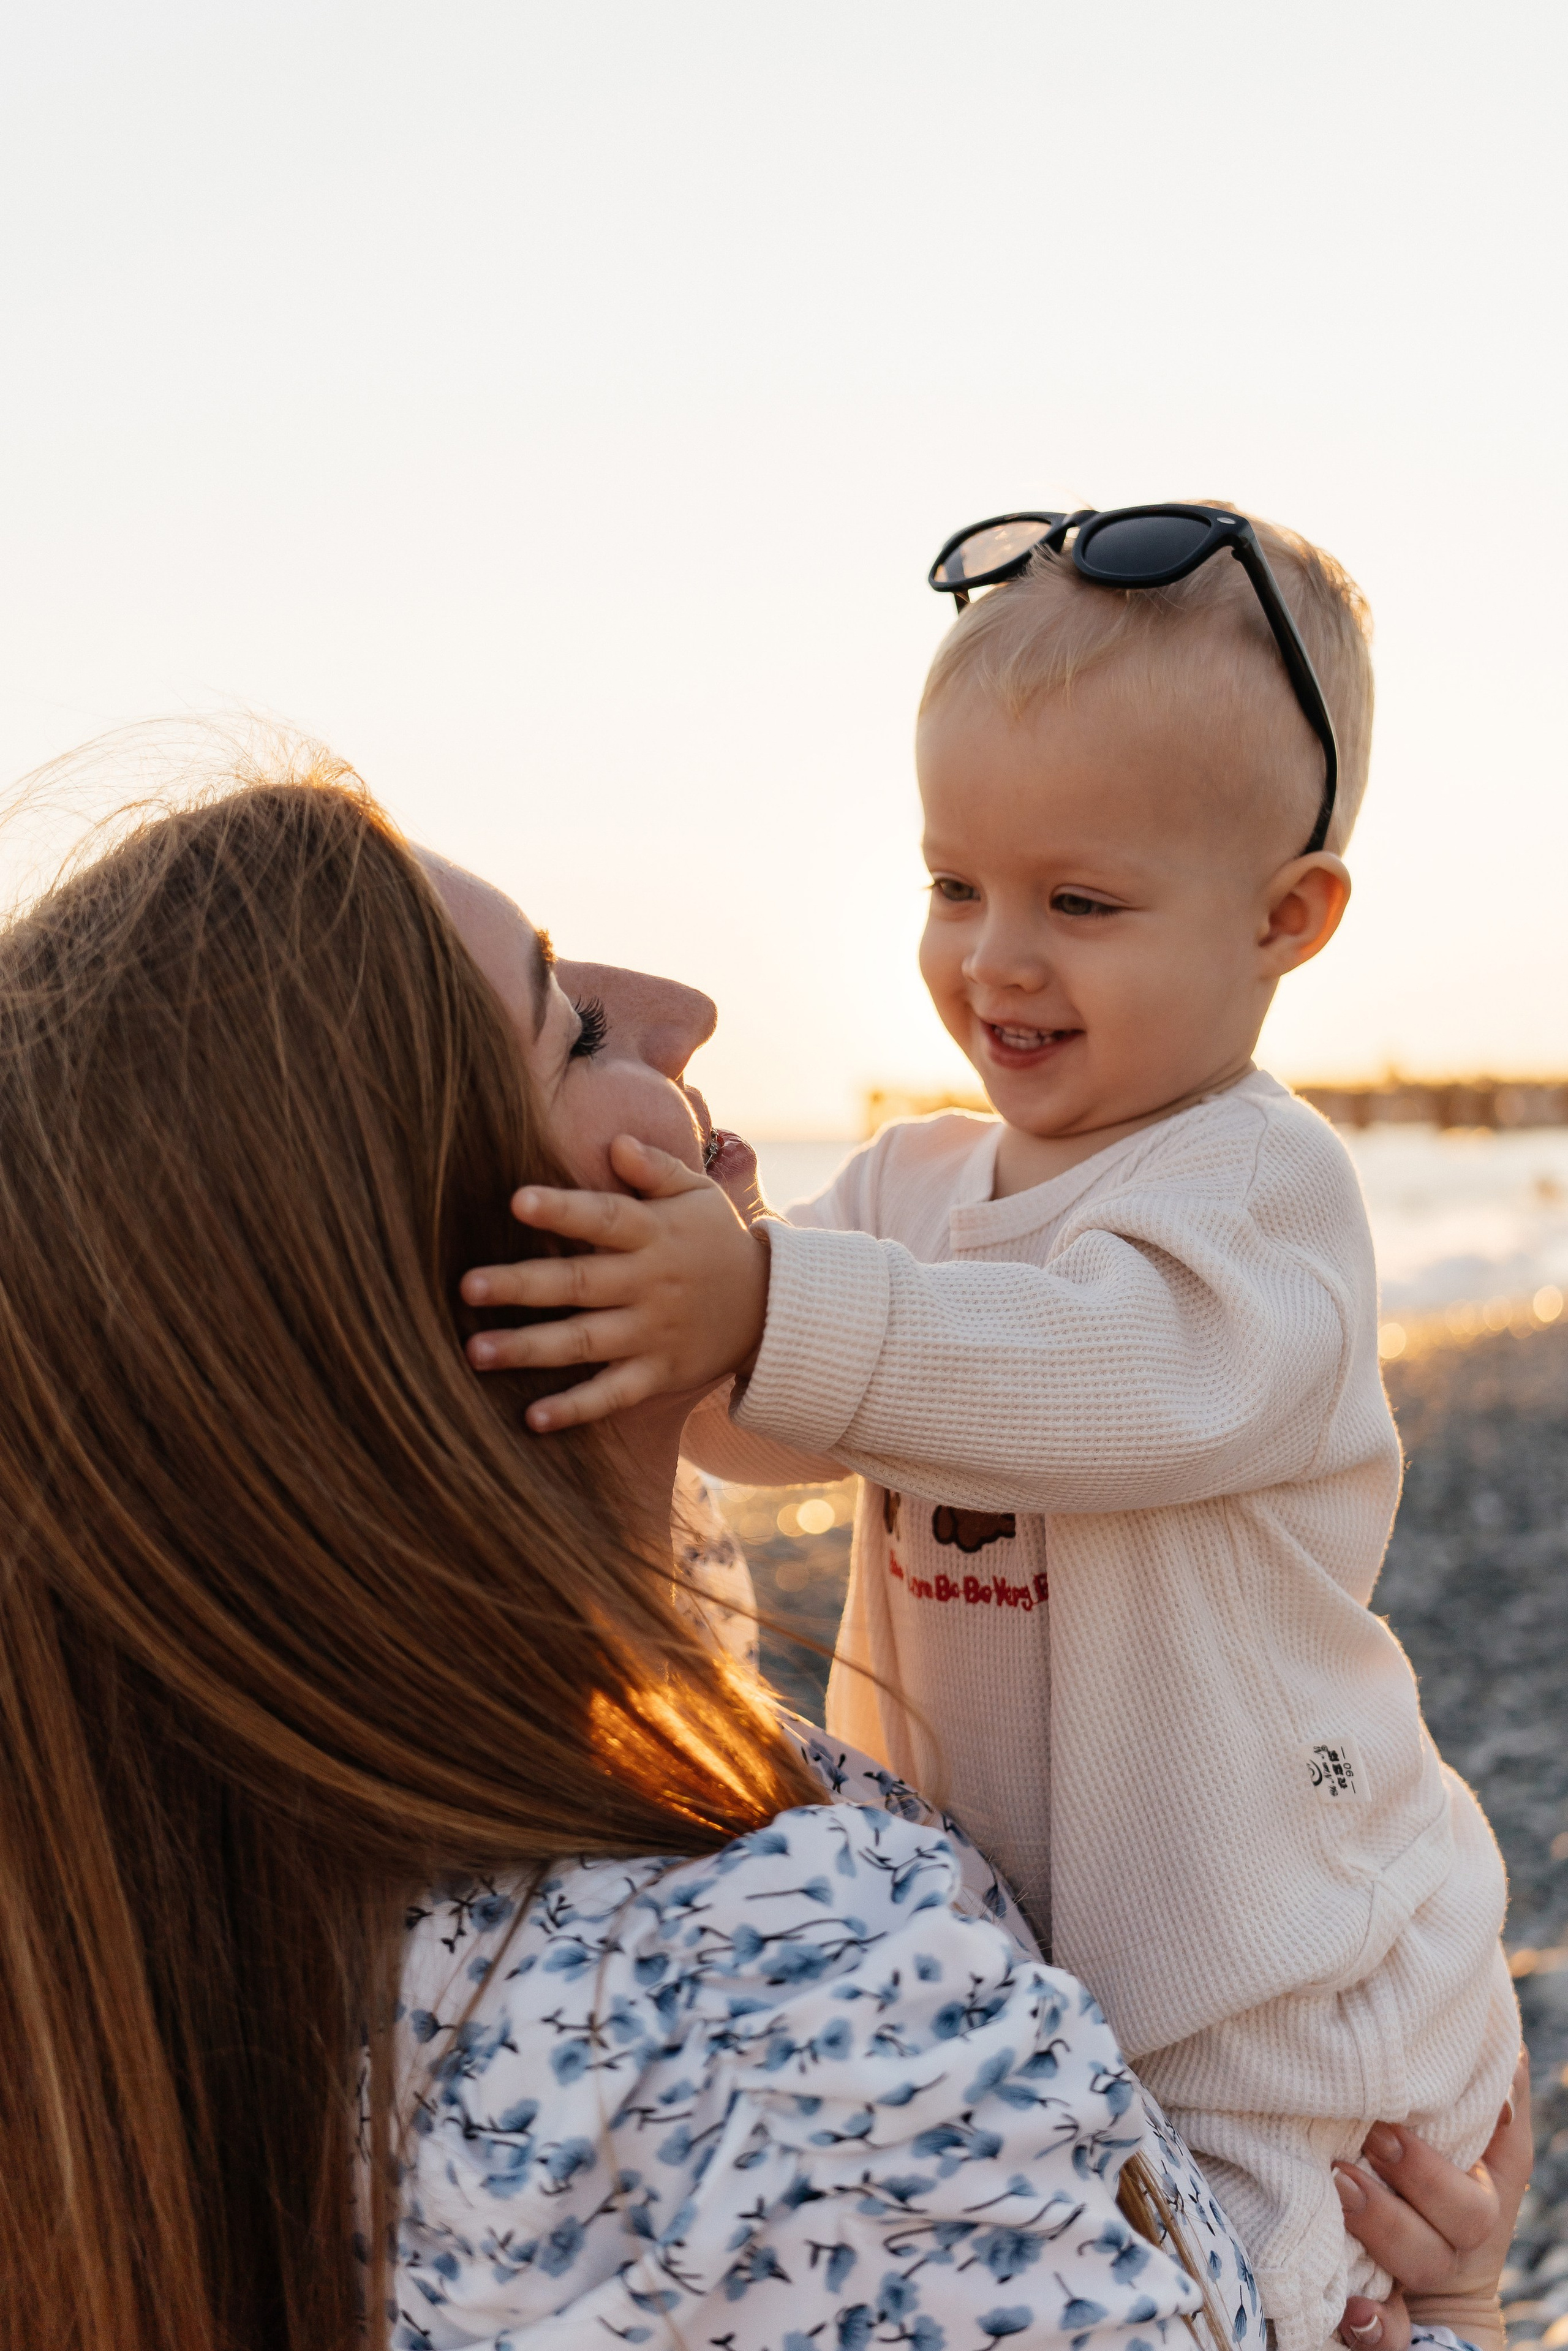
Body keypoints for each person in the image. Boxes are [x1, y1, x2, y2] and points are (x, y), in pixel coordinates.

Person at [0, 755, 1523, 2351]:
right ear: (466, 1329)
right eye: (572, 1027)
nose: (686, 1008)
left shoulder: (144, 1955)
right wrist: (1455, 2322)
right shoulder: (802, 2012)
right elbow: (1094, 1359)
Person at [453, 507, 1520, 2351]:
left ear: (1290, 917)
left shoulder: (1259, 1194)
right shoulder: (917, 1187)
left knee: (1263, 2289)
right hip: (1056, 1946)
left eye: (1079, 904)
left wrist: (767, 1302)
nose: (996, 962)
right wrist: (673, 1322)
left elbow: (1115, 1374)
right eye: (957, 888)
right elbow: (769, 1423)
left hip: (1277, 1973)